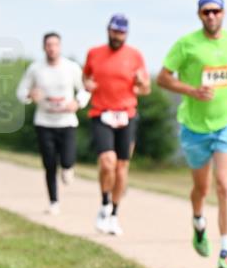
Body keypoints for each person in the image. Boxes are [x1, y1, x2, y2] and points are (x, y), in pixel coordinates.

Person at [156, 0, 227, 268]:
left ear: (224, 13)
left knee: (224, 184)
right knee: (201, 189)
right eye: (206, 12)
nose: (211, 16)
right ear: (199, 15)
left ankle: (226, 252)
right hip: (195, 126)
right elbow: (163, 77)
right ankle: (198, 222)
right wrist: (191, 91)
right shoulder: (186, 44)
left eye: (216, 11)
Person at [83, 14, 150, 235]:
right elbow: (86, 79)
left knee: (121, 169)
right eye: (114, 31)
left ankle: (114, 214)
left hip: (126, 114)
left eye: (121, 32)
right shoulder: (94, 53)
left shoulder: (135, 56)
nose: (117, 35)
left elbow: (145, 88)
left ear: (126, 34)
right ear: (108, 30)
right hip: (101, 112)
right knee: (107, 162)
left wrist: (140, 84)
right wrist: (88, 84)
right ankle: (104, 204)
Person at [16, 32, 90, 215]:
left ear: (60, 47)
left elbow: (85, 90)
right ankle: (53, 201)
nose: (52, 48)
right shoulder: (35, 69)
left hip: (67, 122)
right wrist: (29, 95)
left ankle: (68, 167)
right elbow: (21, 91)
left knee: (66, 159)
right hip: (44, 121)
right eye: (48, 45)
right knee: (49, 163)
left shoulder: (71, 68)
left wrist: (78, 103)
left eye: (55, 44)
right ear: (44, 47)